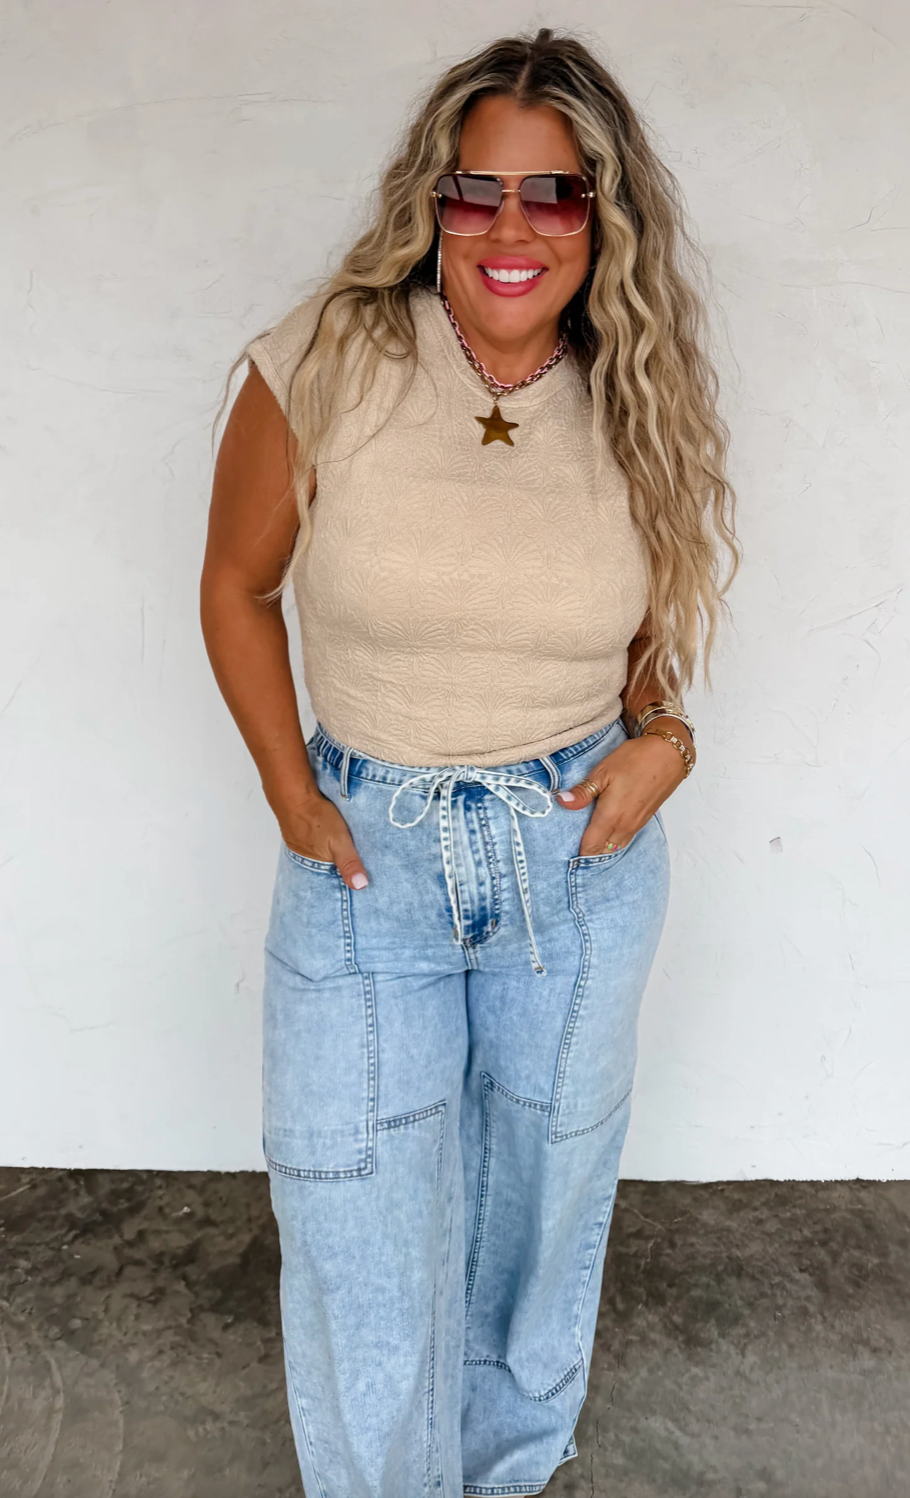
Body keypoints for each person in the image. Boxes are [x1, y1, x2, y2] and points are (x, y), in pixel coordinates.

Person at [201, 27, 737, 1497]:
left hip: (578, 851)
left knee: (541, 1203)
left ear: (601, 217)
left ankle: (503, 1471)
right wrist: (289, 791)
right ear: (429, 201)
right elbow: (237, 587)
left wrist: (666, 740)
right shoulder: (323, 359)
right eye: (476, 189)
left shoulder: (636, 384)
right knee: (356, 1208)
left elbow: (646, 622)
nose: (512, 228)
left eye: (556, 194)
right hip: (367, 847)